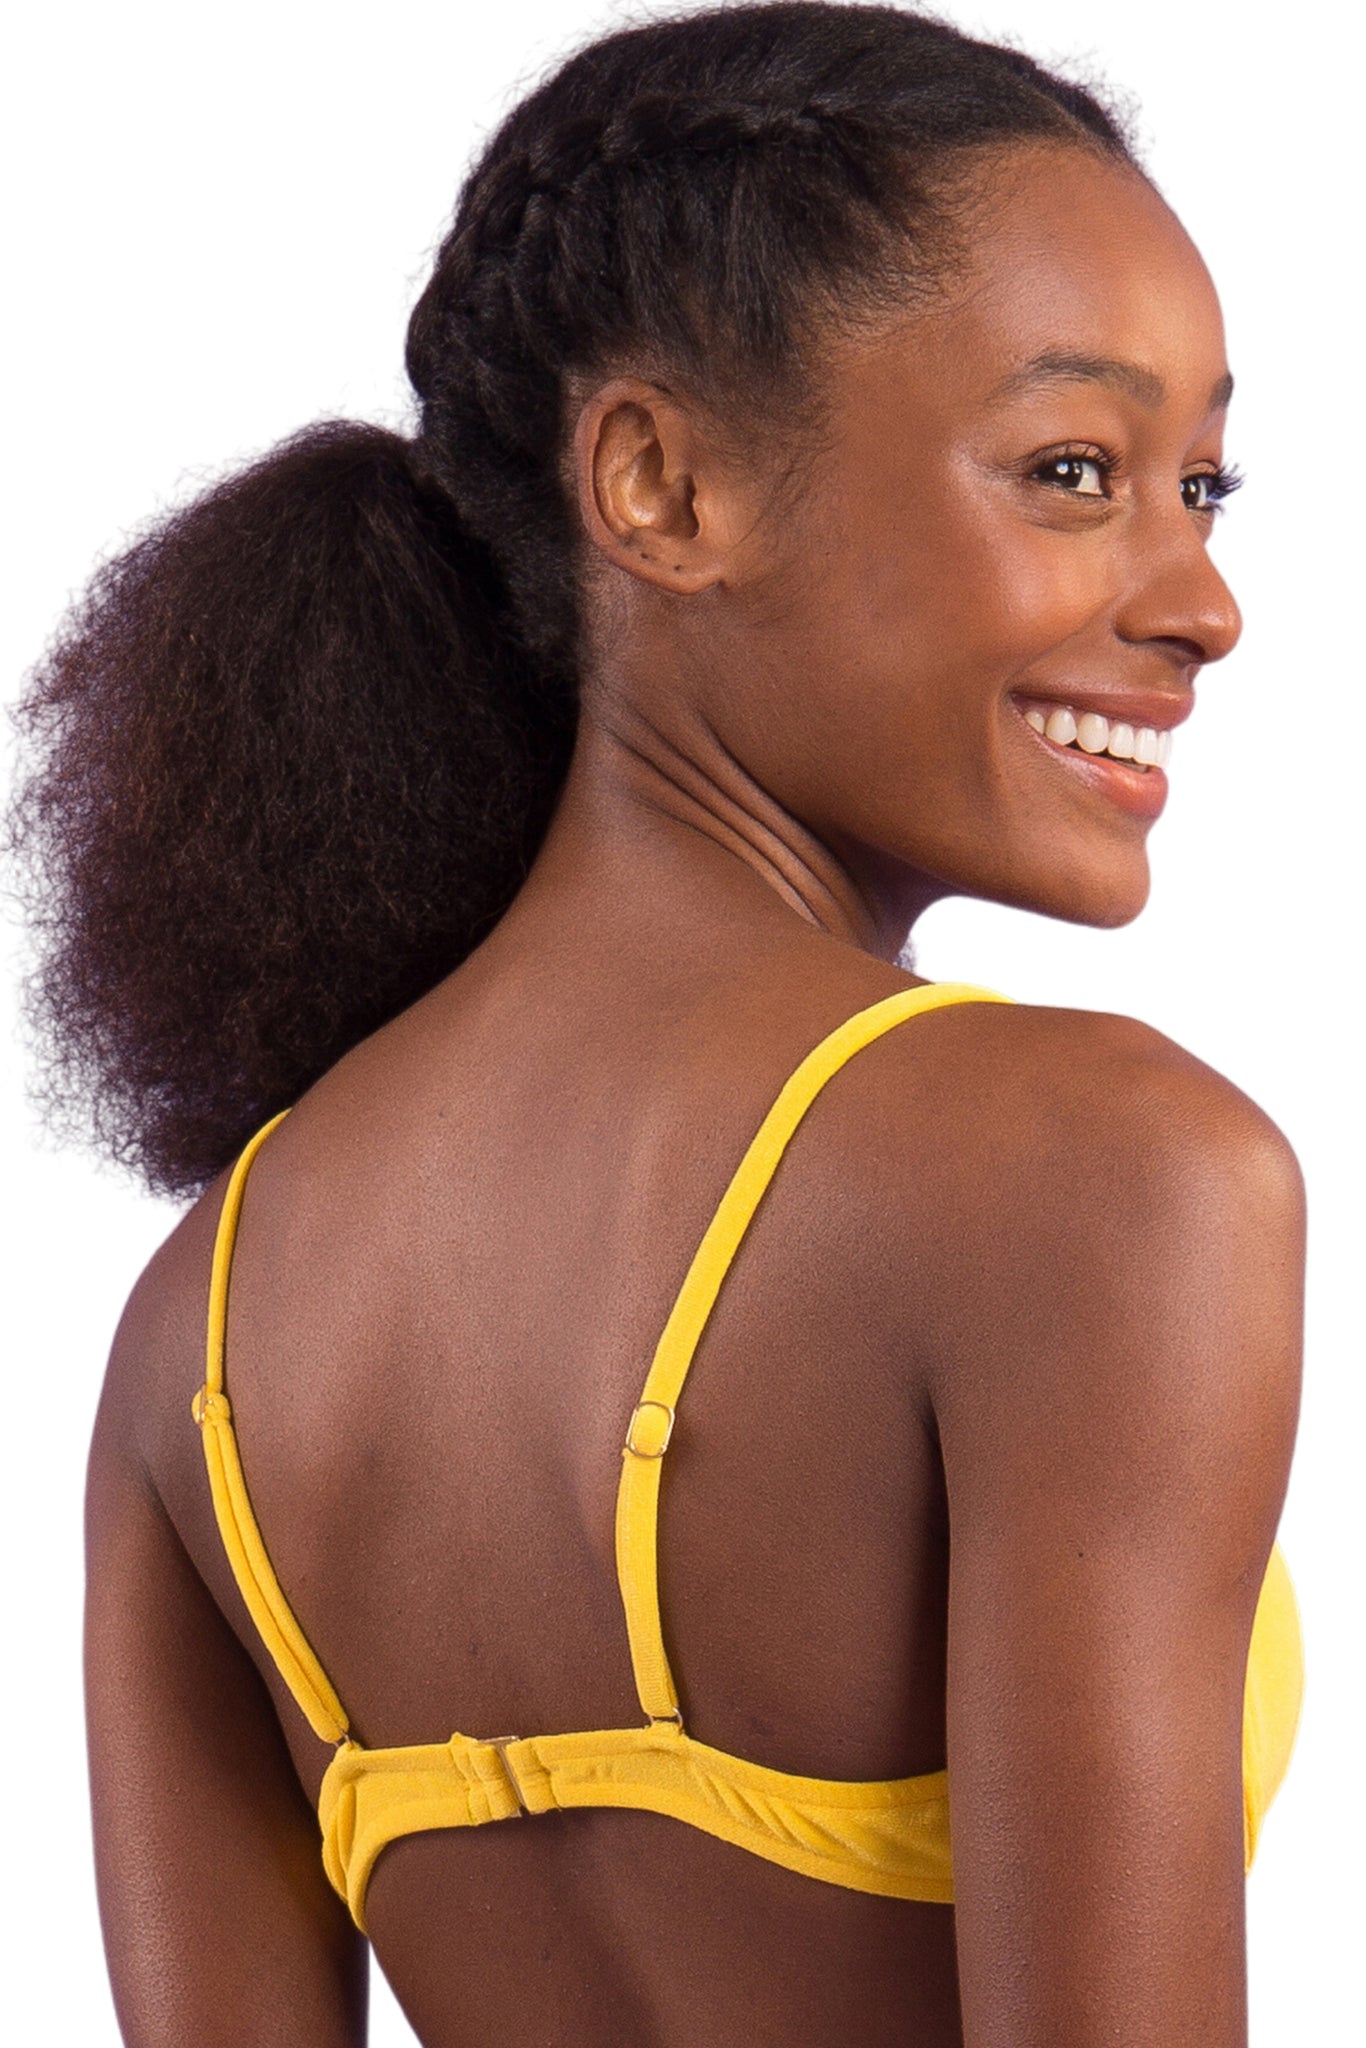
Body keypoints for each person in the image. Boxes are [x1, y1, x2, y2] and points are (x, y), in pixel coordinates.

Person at [8, 3, 1303, 2042]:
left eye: (1200, 486)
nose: (1200, 603)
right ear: (658, 485)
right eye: (1072, 470)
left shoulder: (201, 1330)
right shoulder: (1101, 1172)